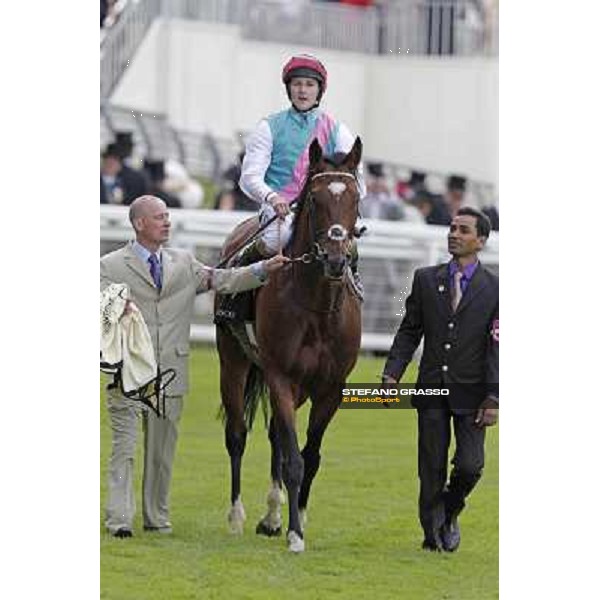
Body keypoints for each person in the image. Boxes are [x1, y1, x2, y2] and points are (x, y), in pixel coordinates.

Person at [100, 195, 289, 538]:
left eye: (167, 216)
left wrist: (263, 270)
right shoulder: (110, 266)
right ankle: (119, 520)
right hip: (127, 371)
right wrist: (116, 307)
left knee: (162, 452)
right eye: (159, 217)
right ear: (139, 224)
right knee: (124, 449)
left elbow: (223, 280)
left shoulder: (183, 263)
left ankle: (157, 519)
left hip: (172, 372)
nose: (167, 222)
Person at [381, 206, 498, 552]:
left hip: (474, 393)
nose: (454, 234)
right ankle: (433, 535)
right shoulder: (425, 279)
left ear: (481, 240)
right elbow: (409, 331)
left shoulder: (496, 288)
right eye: (452, 228)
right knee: (430, 469)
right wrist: (392, 374)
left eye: (463, 230)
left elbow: (498, 346)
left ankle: (449, 511)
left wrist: (494, 396)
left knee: (470, 466)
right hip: (430, 387)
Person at [218, 54, 365, 321]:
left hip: (321, 211)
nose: (303, 90)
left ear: (319, 90)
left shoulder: (337, 130)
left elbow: (356, 180)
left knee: (347, 245)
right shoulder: (268, 127)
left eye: (310, 84)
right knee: (278, 238)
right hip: (280, 209)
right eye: (297, 84)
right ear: (289, 88)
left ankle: (353, 286)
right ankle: (235, 299)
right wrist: (272, 197)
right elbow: (249, 177)